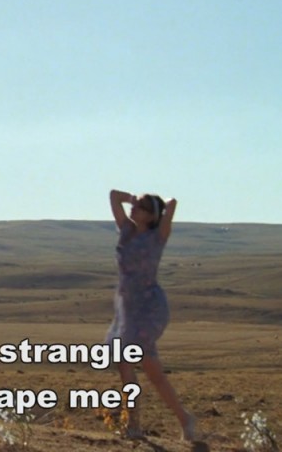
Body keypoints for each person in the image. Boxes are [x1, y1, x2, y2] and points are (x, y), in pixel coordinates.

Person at [106, 189, 195, 441]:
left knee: (131, 360)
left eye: (141, 208)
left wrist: (159, 204)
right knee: (147, 371)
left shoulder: (158, 236)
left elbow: (172, 202)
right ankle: (184, 419)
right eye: (136, 206)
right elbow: (113, 196)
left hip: (148, 308)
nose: (134, 209)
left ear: (151, 216)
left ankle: (134, 425)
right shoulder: (126, 230)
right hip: (127, 308)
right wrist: (133, 198)